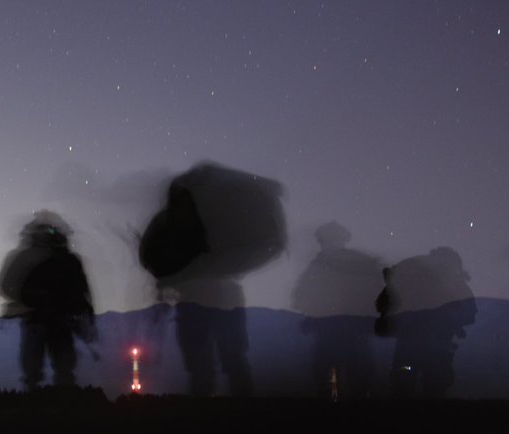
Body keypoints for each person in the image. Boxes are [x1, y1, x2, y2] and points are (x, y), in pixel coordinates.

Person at [139, 162, 286, 397]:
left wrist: (172, 280)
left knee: (224, 361)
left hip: (210, 297)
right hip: (209, 298)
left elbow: (152, 258)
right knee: (214, 362)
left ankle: (217, 414)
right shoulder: (200, 222)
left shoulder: (186, 223)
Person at [0, 211, 96, 391]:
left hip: (42, 319)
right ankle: (63, 407)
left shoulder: (30, 257)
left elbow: (4, 286)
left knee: (39, 371)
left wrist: (28, 299)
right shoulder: (67, 260)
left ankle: (40, 407)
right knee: (58, 369)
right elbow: (82, 291)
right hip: (49, 319)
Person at [290, 222, 383, 400]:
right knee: (350, 379)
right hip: (344, 330)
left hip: (339, 330)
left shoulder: (320, 266)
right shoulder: (357, 262)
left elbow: (300, 297)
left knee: (343, 379)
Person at [374, 246, 476, 399]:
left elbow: (382, 304)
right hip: (438, 346)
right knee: (434, 387)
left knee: (402, 385)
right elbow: (469, 313)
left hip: (407, 343)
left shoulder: (408, 275)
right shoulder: (451, 279)